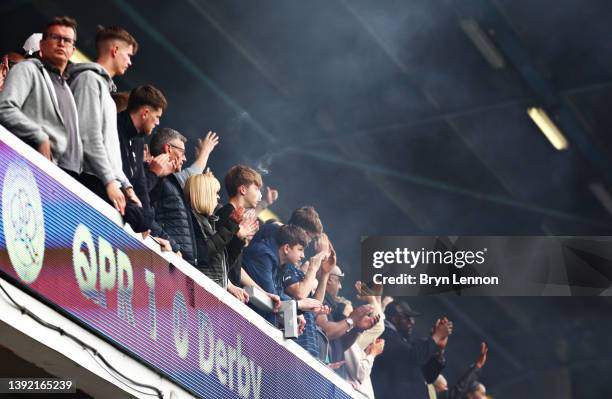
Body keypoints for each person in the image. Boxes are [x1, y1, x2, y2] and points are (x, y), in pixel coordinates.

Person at [68, 25, 140, 217]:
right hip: (87, 179)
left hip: (101, 179)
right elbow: (88, 136)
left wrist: (126, 185)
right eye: (129, 55)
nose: (130, 62)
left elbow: (109, 149)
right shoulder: (88, 80)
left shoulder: (106, 92)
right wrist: (109, 181)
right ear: (115, 50)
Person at [0, 16, 82, 176]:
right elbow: (5, 109)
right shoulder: (26, 71)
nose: (61, 43)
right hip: (20, 165)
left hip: (50, 175)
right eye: (55, 38)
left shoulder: (64, 90)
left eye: (67, 40)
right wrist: (40, 136)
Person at [184, 172, 254, 302]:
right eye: (215, 193)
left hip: (211, 295)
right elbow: (202, 254)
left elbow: (222, 264)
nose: (218, 198)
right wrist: (230, 226)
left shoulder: (208, 222)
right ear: (203, 194)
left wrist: (238, 239)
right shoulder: (192, 220)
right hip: (199, 295)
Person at [371, 301, 453, 399]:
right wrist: (437, 336)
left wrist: (439, 350)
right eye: (407, 318)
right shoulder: (385, 335)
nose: (412, 322)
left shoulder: (405, 342)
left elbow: (428, 376)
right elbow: (413, 357)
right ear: (395, 318)